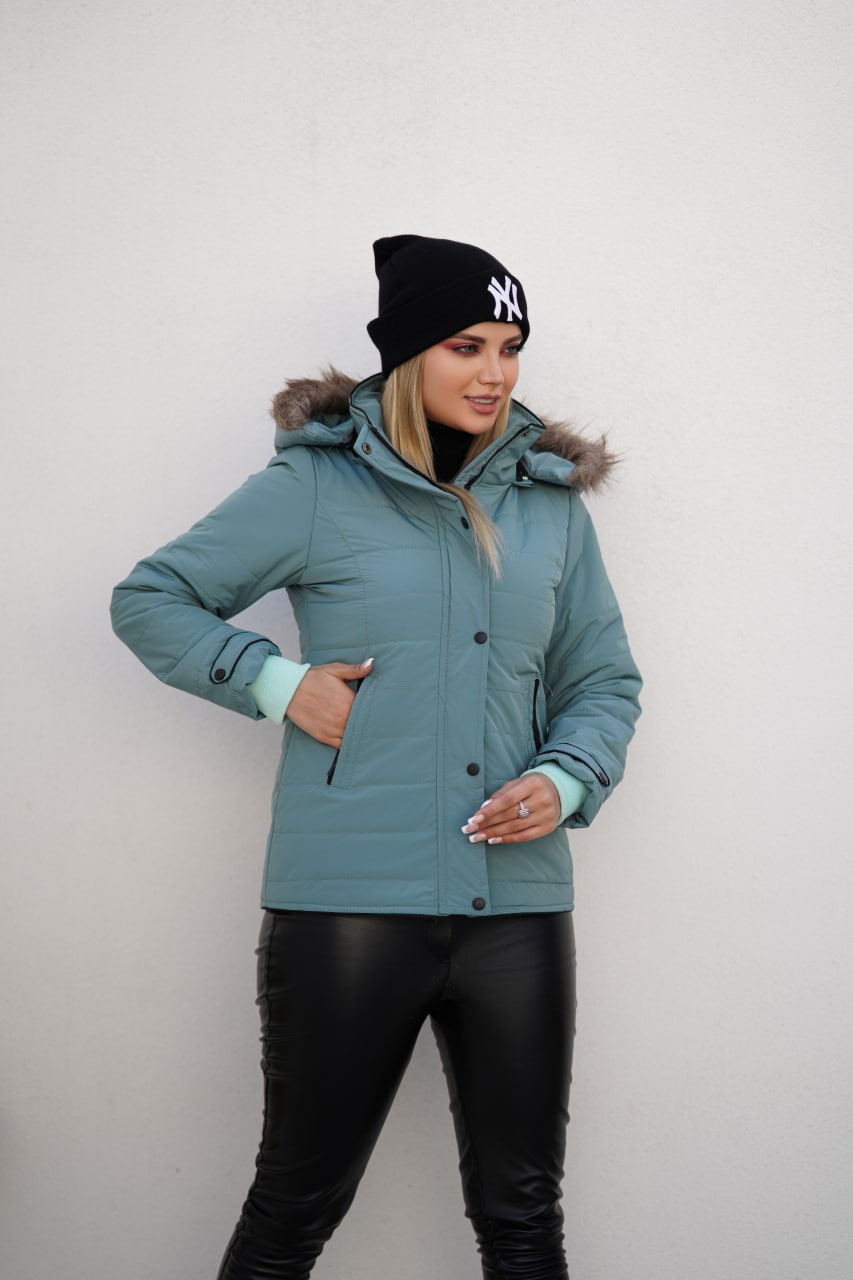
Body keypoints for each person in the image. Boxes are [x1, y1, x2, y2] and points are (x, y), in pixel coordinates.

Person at [111, 234, 642, 1280]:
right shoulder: (314, 487)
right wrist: (275, 681)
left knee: (524, 1217)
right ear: (405, 354)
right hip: (347, 907)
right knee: (293, 1209)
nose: (494, 373)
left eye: (509, 347)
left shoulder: (548, 504)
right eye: (465, 346)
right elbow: (150, 597)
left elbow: (602, 678)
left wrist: (567, 776)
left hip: (518, 909)